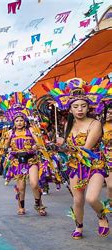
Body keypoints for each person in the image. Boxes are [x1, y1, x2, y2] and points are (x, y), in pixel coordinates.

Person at [48, 78, 110, 238]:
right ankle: (79, 226)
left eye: (83, 105)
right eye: (75, 106)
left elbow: (86, 149)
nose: (80, 109)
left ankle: (102, 216)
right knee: (78, 200)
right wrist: (55, 146)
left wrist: (64, 146)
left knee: (91, 198)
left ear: (89, 106)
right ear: (70, 109)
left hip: (94, 163)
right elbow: (67, 153)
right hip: (75, 166)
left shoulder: (95, 123)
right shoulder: (68, 127)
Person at [0, 92, 46, 216]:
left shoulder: (31, 130)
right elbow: (4, 147)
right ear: (13, 122)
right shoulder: (10, 133)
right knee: (21, 188)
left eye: (21, 120)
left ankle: (39, 205)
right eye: (17, 120)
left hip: (31, 159)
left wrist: (35, 146)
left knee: (34, 183)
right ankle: (21, 206)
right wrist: (2, 149)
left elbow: (40, 143)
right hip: (17, 162)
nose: (19, 122)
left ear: (25, 120)